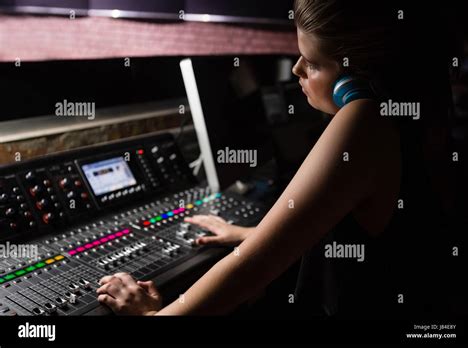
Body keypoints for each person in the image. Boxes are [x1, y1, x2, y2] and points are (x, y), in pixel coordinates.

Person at [96, 0, 450, 317]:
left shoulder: (363, 120)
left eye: (311, 63)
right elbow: (325, 222)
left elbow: (250, 270)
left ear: (353, 84)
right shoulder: (408, 118)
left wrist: (151, 316)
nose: (296, 69)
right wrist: (252, 233)